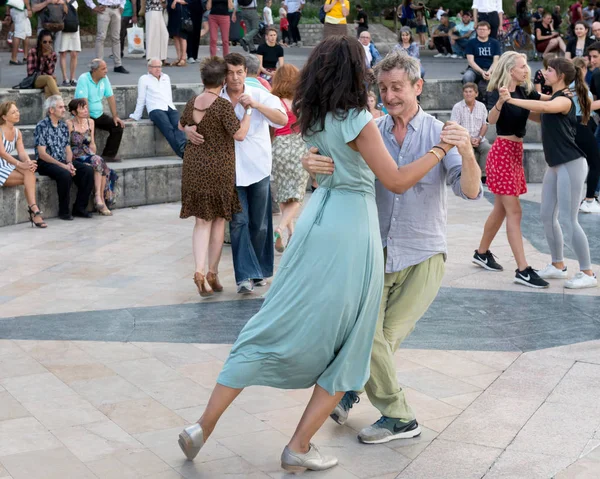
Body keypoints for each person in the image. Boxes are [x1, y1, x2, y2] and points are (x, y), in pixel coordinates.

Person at [177, 37, 472, 472]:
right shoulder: (359, 119)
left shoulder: (314, 116)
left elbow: (328, 161)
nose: (381, 88)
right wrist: (442, 148)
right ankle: (300, 443)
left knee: (271, 322)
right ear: (355, 72)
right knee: (354, 343)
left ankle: (203, 424)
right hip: (352, 229)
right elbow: (393, 180)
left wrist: (319, 164)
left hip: (318, 221)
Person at [302, 49, 482, 446]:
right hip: (374, 253)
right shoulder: (372, 132)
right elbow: (337, 174)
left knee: (379, 338)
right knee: (367, 337)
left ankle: (356, 391)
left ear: (418, 87)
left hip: (424, 255)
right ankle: (397, 414)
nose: (390, 96)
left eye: (397, 87)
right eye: (382, 88)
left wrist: (466, 152)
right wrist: (314, 165)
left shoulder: (441, 132)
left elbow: (469, 191)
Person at [182, 53, 287, 294]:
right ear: (224, 76)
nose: (236, 77)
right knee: (239, 222)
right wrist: (188, 130)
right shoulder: (215, 98)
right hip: (228, 171)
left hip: (259, 167)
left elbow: (282, 119)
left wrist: (256, 106)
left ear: (246, 73)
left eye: (240, 72)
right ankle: (244, 277)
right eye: (230, 73)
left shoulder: (258, 93)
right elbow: (189, 119)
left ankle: (259, 270)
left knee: (260, 224)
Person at [504, 57, 597, 289]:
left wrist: (513, 99)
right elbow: (539, 113)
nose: (544, 72)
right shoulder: (554, 97)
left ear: (561, 76)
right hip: (555, 165)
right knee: (547, 216)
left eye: (549, 70)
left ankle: (587, 272)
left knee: (568, 219)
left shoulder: (565, 99)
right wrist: (513, 102)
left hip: (571, 164)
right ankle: (558, 265)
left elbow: (544, 107)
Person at [472, 51, 549, 288]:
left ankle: (481, 252)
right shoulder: (496, 91)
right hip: (502, 152)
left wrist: (568, 96)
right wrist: (501, 101)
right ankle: (523, 270)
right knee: (514, 211)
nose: (526, 70)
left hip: (516, 152)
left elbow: (544, 101)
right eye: (522, 66)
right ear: (510, 69)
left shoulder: (525, 90)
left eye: (525, 66)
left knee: (500, 209)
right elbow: (492, 120)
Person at [178, 57, 250, 297]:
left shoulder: (193, 101)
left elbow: (181, 125)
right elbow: (239, 134)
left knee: (201, 221)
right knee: (219, 220)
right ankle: (212, 272)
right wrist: (248, 112)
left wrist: (188, 130)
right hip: (219, 170)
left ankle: (198, 271)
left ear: (202, 80)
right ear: (222, 82)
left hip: (194, 168)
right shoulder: (222, 106)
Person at [34, 95, 94, 220]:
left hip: (63, 161)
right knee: (64, 174)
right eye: (60, 107)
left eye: (64, 107)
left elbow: (67, 149)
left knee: (87, 171)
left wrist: (69, 163)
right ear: (51, 110)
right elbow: (42, 154)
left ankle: (79, 207)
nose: (64, 110)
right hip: (46, 162)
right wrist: (64, 166)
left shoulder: (62, 126)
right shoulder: (42, 126)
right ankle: (64, 211)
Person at [270, 63, 309, 253]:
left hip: (278, 147)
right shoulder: (300, 102)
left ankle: (291, 234)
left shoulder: (274, 101)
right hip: (297, 146)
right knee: (298, 196)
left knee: (285, 193)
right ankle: (280, 228)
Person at [0, 101, 47, 228]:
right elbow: (2, 153)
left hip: (7, 164)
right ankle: (34, 211)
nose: (17, 114)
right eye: (13, 112)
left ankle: (33, 208)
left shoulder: (17, 132)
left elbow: (21, 152)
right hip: (2, 165)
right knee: (29, 178)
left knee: (29, 172)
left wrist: (28, 162)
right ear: (4, 117)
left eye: (17, 111)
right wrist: (21, 165)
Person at [129, 58, 187, 158]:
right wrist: (136, 116)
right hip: (155, 108)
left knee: (179, 126)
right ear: (149, 68)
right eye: (155, 67)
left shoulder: (166, 77)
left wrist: (172, 107)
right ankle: (183, 154)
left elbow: (169, 95)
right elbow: (141, 98)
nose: (158, 69)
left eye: (159, 66)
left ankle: (185, 148)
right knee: (168, 129)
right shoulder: (144, 79)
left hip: (169, 106)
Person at [67, 98, 113, 216]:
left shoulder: (90, 122)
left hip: (88, 153)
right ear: (74, 112)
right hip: (76, 154)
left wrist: (93, 156)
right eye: (82, 108)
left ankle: (99, 197)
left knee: (98, 161)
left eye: (86, 108)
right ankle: (100, 199)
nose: (85, 110)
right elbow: (66, 145)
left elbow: (92, 143)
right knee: (99, 162)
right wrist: (70, 161)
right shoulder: (69, 123)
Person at [75, 59, 125, 163]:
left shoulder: (104, 79)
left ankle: (108, 155)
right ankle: (85, 157)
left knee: (117, 126)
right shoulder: (84, 79)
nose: (106, 71)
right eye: (103, 69)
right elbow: (84, 101)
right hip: (85, 114)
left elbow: (110, 97)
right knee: (87, 130)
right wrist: (87, 119)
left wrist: (115, 116)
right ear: (94, 70)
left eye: (106, 68)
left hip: (99, 114)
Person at [571, 57, 600, 213]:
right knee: (595, 163)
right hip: (581, 125)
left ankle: (578, 199)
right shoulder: (580, 87)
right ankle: (589, 199)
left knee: (577, 165)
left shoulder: (569, 87)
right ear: (582, 69)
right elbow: (587, 108)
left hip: (572, 127)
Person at [451, 82, 491, 181]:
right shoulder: (457, 107)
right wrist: (469, 139)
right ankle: (471, 176)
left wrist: (479, 138)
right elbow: (455, 126)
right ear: (463, 93)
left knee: (487, 148)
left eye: (470, 91)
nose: (468, 94)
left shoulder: (481, 106)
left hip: (480, 139)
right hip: (464, 139)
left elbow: (485, 124)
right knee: (469, 151)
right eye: (466, 92)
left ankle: (483, 175)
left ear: (476, 94)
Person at [462, 21, 501, 108]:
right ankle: (470, 101)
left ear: (489, 31)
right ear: (476, 30)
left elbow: (496, 61)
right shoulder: (471, 43)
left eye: (484, 29)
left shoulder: (495, 43)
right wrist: (481, 71)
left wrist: (489, 72)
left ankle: (492, 104)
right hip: (475, 69)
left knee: (499, 79)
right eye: (479, 29)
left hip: (491, 69)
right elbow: (471, 61)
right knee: (467, 77)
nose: (482, 31)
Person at [84, 0, 130, 74]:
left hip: (116, 8)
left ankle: (118, 65)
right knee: (101, 37)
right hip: (104, 8)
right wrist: (93, 6)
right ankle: (98, 64)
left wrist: (122, 5)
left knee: (116, 38)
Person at [26, 30, 61, 98]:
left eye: (50, 42)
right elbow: (30, 72)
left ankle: (47, 107)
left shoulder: (52, 54)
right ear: (40, 42)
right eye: (45, 42)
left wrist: (48, 57)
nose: (47, 44)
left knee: (48, 87)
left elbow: (50, 72)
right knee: (49, 78)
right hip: (35, 79)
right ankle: (60, 101)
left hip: (47, 79)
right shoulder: (33, 52)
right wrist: (43, 56)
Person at [55, 0, 82, 86]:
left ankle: (72, 78)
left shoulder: (74, 1)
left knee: (74, 53)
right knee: (63, 53)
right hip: (63, 27)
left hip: (74, 26)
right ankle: (64, 78)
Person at [142, 0, 169, 64]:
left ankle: (162, 57)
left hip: (159, 11)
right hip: (151, 10)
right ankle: (150, 58)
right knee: (151, 34)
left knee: (164, 34)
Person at [8, 0, 32, 65]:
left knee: (27, 32)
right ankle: (14, 58)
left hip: (15, 9)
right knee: (18, 34)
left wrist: (7, 13)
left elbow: (8, 2)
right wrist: (29, 9)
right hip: (20, 11)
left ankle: (25, 57)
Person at [167, 0, 189, 67]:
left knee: (182, 36)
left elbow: (187, 1)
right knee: (175, 36)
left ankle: (183, 58)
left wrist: (176, 1)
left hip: (182, 14)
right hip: (173, 14)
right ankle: (178, 57)